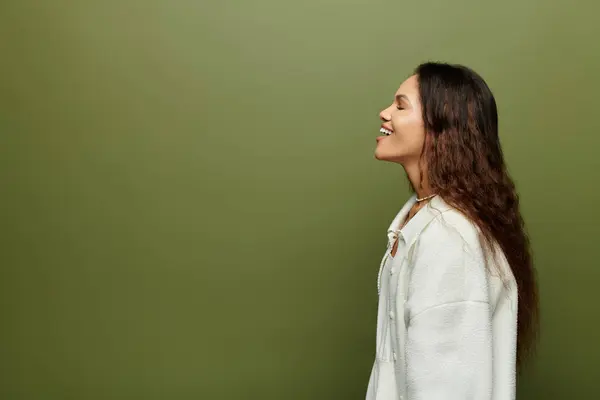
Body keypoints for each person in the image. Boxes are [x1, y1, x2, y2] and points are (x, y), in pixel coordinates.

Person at [366, 62, 539, 400]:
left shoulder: (448, 239)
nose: (384, 113)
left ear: (439, 126)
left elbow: (444, 388)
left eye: (400, 106)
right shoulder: (421, 221)